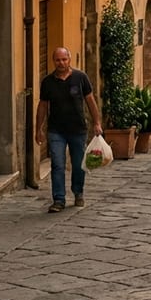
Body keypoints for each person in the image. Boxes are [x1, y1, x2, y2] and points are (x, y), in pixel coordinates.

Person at [35, 47, 103, 213]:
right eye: (58, 60)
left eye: (64, 59)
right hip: (56, 130)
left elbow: (90, 101)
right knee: (57, 165)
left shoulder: (80, 78)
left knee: (79, 165)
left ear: (69, 60)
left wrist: (97, 123)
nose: (61, 63)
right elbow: (42, 106)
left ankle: (78, 192)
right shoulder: (47, 82)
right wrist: (38, 129)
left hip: (78, 130)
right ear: (53, 61)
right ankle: (58, 199)